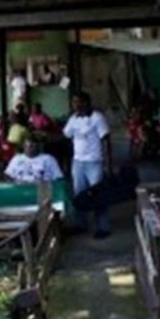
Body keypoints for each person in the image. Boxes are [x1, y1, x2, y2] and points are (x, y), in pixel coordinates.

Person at [63, 92, 113, 239]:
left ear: (86, 102)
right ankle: (81, 224)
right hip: (78, 162)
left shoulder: (97, 118)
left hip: (94, 162)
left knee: (98, 195)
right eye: (74, 102)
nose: (75, 105)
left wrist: (109, 164)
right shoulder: (73, 119)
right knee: (79, 195)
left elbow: (106, 140)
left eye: (78, 102)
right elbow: (66, 136)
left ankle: (103, 227)